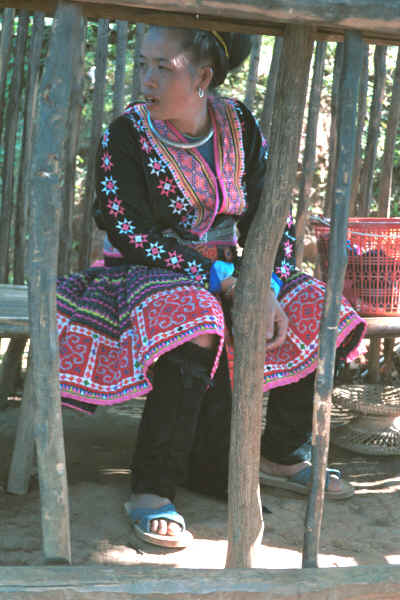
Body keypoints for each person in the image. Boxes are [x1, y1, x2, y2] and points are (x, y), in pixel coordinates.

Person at [56, 26, 366, 549]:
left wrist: (263, 282)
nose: (146, 79)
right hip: (148, 270)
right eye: (142, 64)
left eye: (162, 67)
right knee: (196, 320)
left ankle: (280, 452)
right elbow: (126, 228)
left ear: (203, 77)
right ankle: (153, 486)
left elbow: (273, 214)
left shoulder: (238, 122)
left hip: (239, 272)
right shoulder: (126, 134)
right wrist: (224, 281)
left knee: (316, 306)